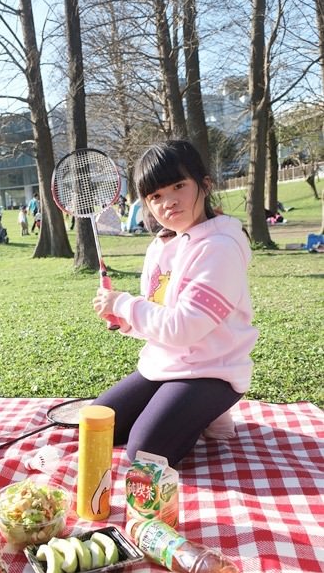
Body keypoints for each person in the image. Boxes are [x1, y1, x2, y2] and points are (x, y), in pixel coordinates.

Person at [92, 139, 259, 467]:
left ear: (205, 184)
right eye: (155, 196)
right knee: (98, 426)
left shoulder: (219, 248)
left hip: (213, 370)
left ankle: (208, 411)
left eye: (178, 186)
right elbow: (160, 315)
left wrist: (126, 304)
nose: (168, 202)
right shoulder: (161, 244)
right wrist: (125, 319)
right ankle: (180, 407)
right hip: (166, 365)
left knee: (144, 452)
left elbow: (184, 327)